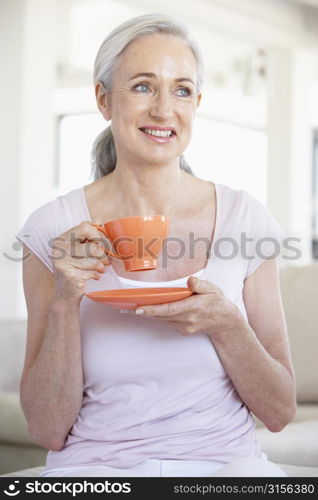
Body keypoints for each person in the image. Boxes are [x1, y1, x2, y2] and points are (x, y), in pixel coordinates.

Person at [16, 13, 296, 478]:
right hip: (98, 471)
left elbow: (280, 411)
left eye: (182, 90)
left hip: (223, 469)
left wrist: (227, 325)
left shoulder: (245, 220)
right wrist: (67, 300)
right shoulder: (53, 228)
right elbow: (47, 429)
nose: (164, 110)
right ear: (104, 100)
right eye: (143, 86)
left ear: (197, 103)